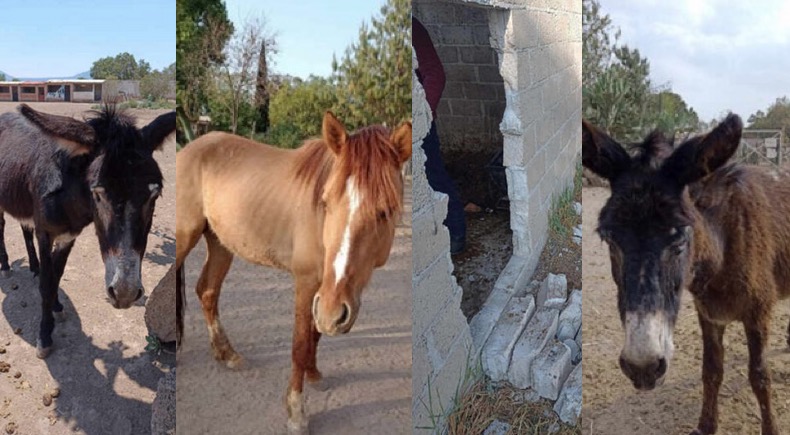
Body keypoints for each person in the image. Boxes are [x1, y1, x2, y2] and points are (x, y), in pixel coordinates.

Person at [413, 16, 467, 254]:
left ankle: (456, 232)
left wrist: (423, 118)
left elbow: (435, 74)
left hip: (419, 124)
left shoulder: (412, 28)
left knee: (434, 176)